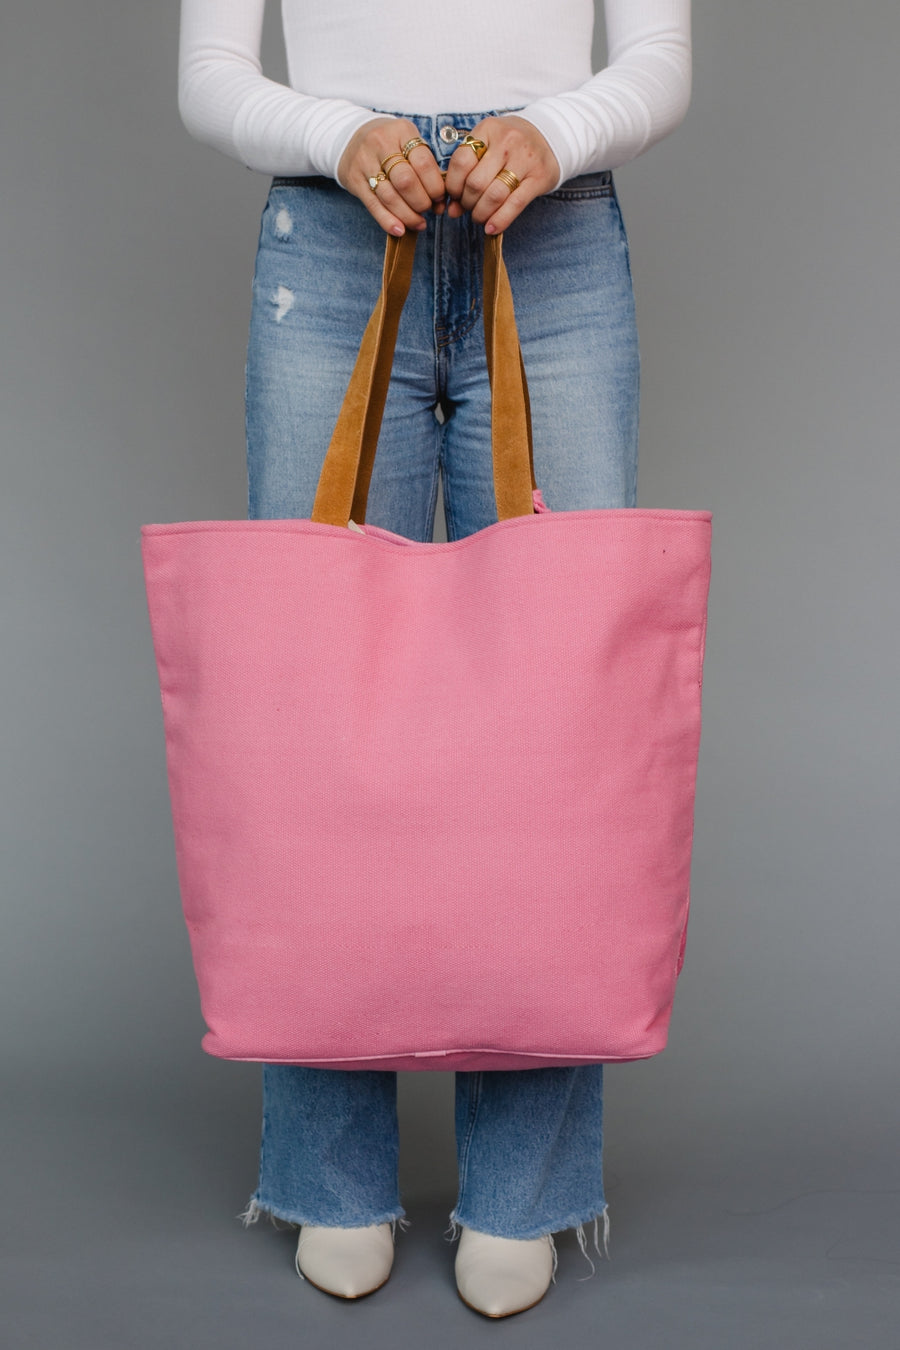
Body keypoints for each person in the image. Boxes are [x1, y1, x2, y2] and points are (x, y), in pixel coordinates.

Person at [177, 0, 691, 1320]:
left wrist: (554, 132)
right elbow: (211, 79)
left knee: (555, 726)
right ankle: (329, 1174)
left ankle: (525, 1190)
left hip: (558, 232)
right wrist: (344, 132)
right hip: (330, 238)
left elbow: (658, 62)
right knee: (312, 714)